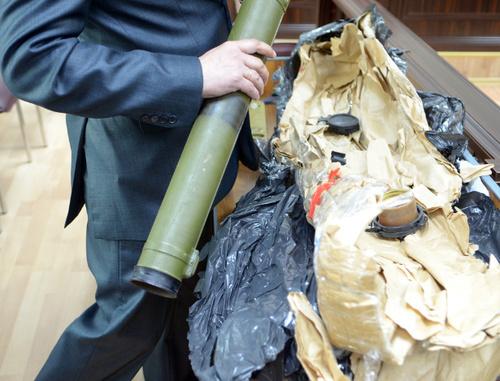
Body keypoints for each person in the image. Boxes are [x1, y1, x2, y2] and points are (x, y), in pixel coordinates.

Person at [0, 0, 276, 379]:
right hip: (142, 169)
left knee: (180, 323)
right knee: (123, 330)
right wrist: (192, 75)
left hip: (196, 152)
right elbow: (33, 58)